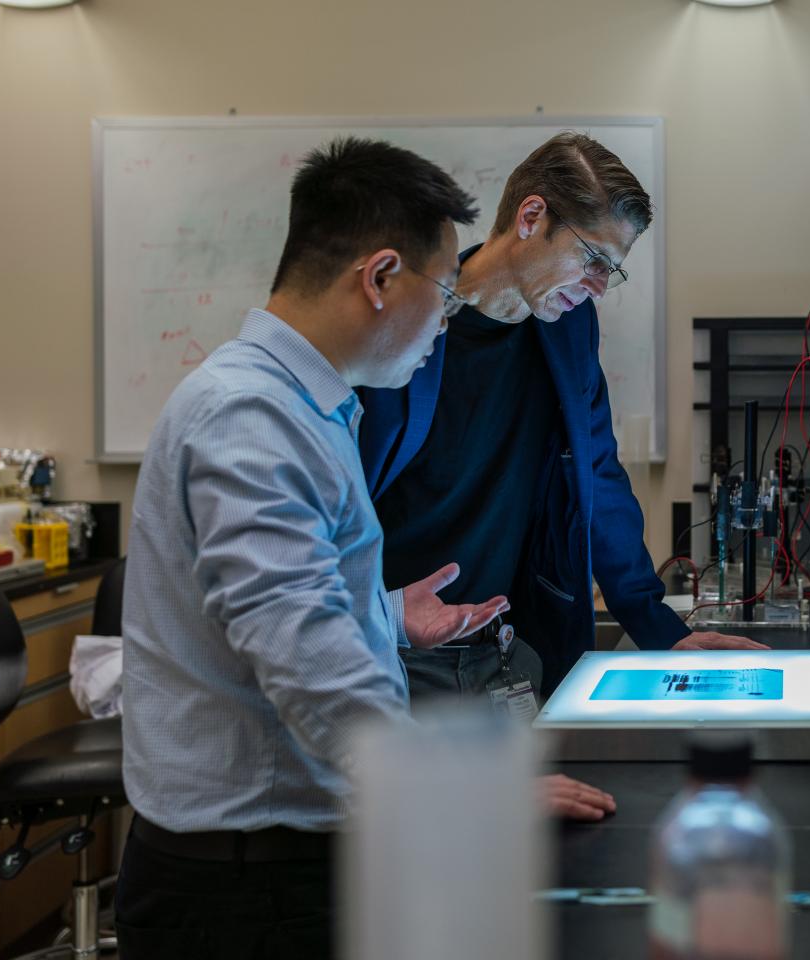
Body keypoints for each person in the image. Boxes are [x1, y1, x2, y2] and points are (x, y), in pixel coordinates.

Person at [116, 138, 615, 960]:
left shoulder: (307, 407)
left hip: (278, 860)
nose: (451, 314)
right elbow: (313, 673)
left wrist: (383, 615)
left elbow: (276, 615)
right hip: (246, 888)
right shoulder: (250, 420)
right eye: (445, 288)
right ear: (381, 278)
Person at [359, 132, 764, 699]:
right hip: (391, 648)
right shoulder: (407, 328)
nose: (598, 288)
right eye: (594, 259)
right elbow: (337, 500)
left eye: (612, 271)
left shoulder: (568, 328)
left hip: (508, 644)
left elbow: (597, 473)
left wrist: (658, 628)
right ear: (531, 217)